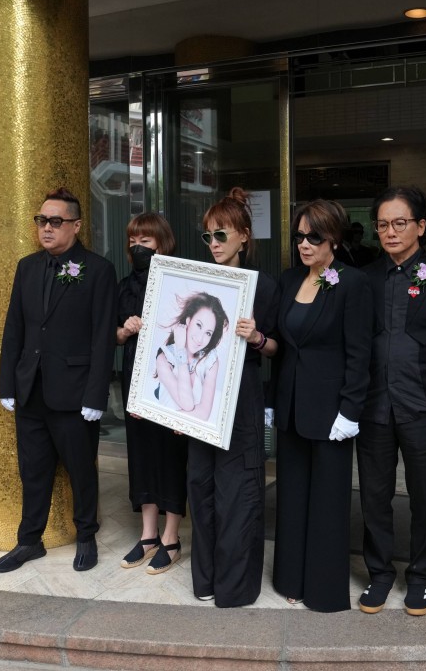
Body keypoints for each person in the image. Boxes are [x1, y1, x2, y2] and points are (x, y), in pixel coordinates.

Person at [0, 187, 117, 574]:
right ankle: (29, 540)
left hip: (76, 392)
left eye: (55, 221)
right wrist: (7, 385)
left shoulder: (98, 269)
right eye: (41, 221)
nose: (46, 228)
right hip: (30, 388)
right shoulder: (27, 267)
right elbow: (14, 328)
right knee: (33, 471)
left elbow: (102, 337)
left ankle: (86, 535)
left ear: (76, 226)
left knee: (81, 470)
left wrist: (97, 394)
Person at [356, 186, 426, 616]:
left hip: (422, 405)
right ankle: (380, 574)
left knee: (423, 497)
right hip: (373, 405)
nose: (390, 232)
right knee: (374, 494)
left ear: (420, 225)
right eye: (382, 224)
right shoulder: (364, 277)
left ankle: (420, 577)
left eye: (400, 223)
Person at [272, 198, 373, 612]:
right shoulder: (288, 279)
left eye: (314, 237)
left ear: (333, 238)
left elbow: (359, 352)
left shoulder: (352, 282)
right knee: (291, 496)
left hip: (332, 411)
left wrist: (350, 410)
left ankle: (324, 589)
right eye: (300, 236)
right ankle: (289, 578)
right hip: (292, 405)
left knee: (329, 501)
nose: (305, 244)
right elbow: (281, 348)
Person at [190, 187, 279, 606]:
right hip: (200, 397)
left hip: (242, 397)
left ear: (244, 235)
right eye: (208, 237)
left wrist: (258, 337)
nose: (214, 245)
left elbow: (279, 347)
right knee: (202, 487)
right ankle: (205, 580)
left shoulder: (265, 287)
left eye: (221, 235)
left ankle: (235, 586)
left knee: (239, 491)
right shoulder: (196, 281)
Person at [115, 212, 189, 575]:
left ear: (162, 242)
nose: (138, 247)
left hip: (173, 381)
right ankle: (148, 534)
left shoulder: (181, 282)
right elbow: (112, 333)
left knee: (172, 454)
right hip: (134, 378)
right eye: (133, 241)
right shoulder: (125, 284)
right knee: (141, 452)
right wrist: (125, 330)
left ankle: (172, 537)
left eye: (146, 240)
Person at [152, 291, 229, 420]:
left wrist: (162, 415)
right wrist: (180, 350)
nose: (200, 338)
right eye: (199, 325)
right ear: (188, 321)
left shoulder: (210, 360)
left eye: (208, 333)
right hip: (164, 432)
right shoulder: (164, 358)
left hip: (194, 433)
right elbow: (187, 405)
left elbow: (203, 415)